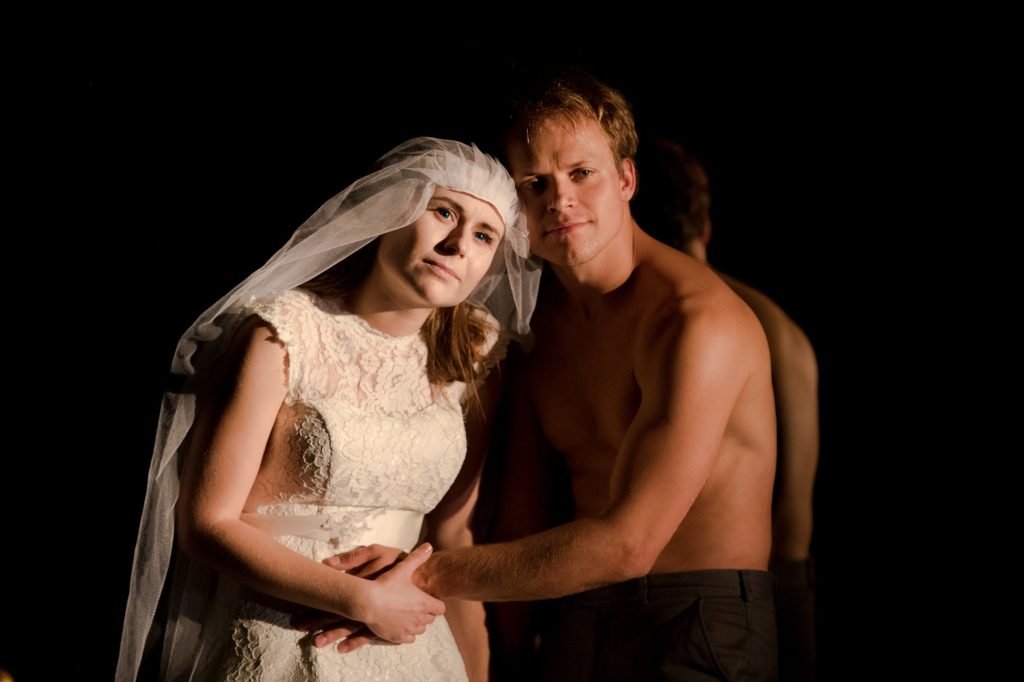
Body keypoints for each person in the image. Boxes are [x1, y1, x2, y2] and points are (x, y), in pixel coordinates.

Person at [322, 69, 780, 681]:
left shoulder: (695, 321)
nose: (559, 200)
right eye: (534, 183)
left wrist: (417, 575)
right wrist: (506, 658)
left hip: (696, 614)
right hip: (571, 609)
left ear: (626, 179)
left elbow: (630, 544)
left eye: (581, 173)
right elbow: (519, 514)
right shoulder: (537, 331)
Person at [115, 137, 541, 682]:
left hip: (412, 641)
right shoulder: (283, 332)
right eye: (443, 212)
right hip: (278, 628)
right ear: (391, 211)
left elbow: (452, 531)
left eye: (484, 235)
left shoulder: (475, 355)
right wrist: (361, 601)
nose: (458, 244)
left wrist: (474, 667)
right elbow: (206, 523)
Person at [633, 137, 820, 681]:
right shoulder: (782, 329)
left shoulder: (672, 327)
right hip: (787, 579)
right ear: (706, 226)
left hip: (701, 600)